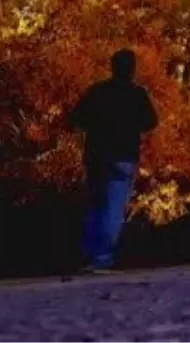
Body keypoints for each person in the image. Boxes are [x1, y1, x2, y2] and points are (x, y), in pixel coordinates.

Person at [67, 48, 158, 273]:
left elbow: (76, 118)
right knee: (113, 208)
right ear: (132, 69)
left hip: (97, 154)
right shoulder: (137, 95)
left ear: (112, 66)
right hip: (124, 155)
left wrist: (95, 127)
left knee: (94, 204)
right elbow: (151, 121)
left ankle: (88, 254)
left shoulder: (97, 92)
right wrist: (131, 126)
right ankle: (102, 257)